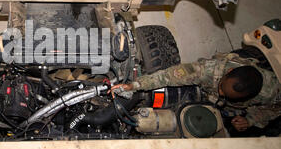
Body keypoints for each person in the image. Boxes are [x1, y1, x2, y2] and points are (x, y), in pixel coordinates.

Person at [111, 52, 280, 133]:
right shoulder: (206, 71)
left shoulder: (272, 92)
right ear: (227, 74)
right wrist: (134, 85)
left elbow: (272, 110)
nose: (220, 93)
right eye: (221, 87)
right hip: (204, 88)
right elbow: (166, 77)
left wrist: (250, 120)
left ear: (250, 96)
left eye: (225, 94)